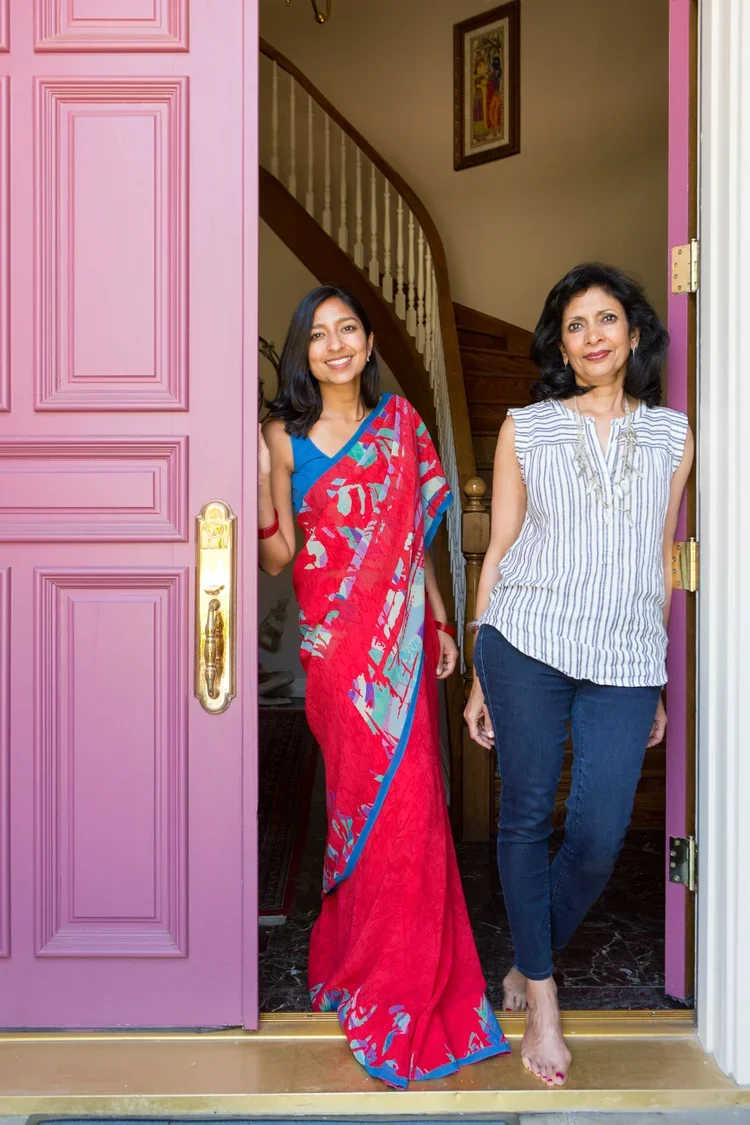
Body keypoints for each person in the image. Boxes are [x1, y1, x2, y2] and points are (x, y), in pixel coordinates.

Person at [258, 284, 509, 1088]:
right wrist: (257, 478)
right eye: (318, 334)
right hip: (337, 658)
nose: (334, 345)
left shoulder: (401, 425)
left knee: (415, 809)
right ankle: (363, 958)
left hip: (403, 649)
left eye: (348, 330)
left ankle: (407, 974)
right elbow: (276, 557)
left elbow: (414, 541)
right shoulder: (282, 438)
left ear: (369, 344)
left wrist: (439, 619)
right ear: (303, 351)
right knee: (359, 807)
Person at [464, 263, 693, 1087]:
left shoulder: (673, 435)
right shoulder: (526, 427)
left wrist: (656, 674)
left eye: (607, 319)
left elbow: (660, 556)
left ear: (633, 333)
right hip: (525, 640)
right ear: (560, 346)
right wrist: (480, 671)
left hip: (624, 655)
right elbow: (498, 547)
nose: (593, 335)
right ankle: (543, 994)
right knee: (525, 816)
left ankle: (531, 954)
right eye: (575, 325)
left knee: (598, 833)